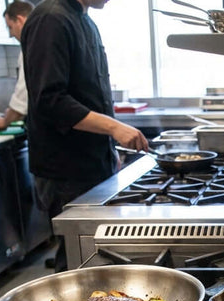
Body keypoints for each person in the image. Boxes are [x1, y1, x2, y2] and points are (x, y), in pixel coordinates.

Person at [22, 0, 148, 272]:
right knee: (76, 262)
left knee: (95, 258)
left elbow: (91, 95)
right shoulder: (51, 19)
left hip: (91, 162)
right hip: (65, 168)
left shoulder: (85, 21)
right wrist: (114, 128)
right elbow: (50, 100)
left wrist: (108, 149)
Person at [0, 1, 33, 131]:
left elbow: (23, 95)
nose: (11, 34)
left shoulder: (31, 46)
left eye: (10, 27)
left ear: (19, 20)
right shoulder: (49, 37)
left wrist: (5, 121)